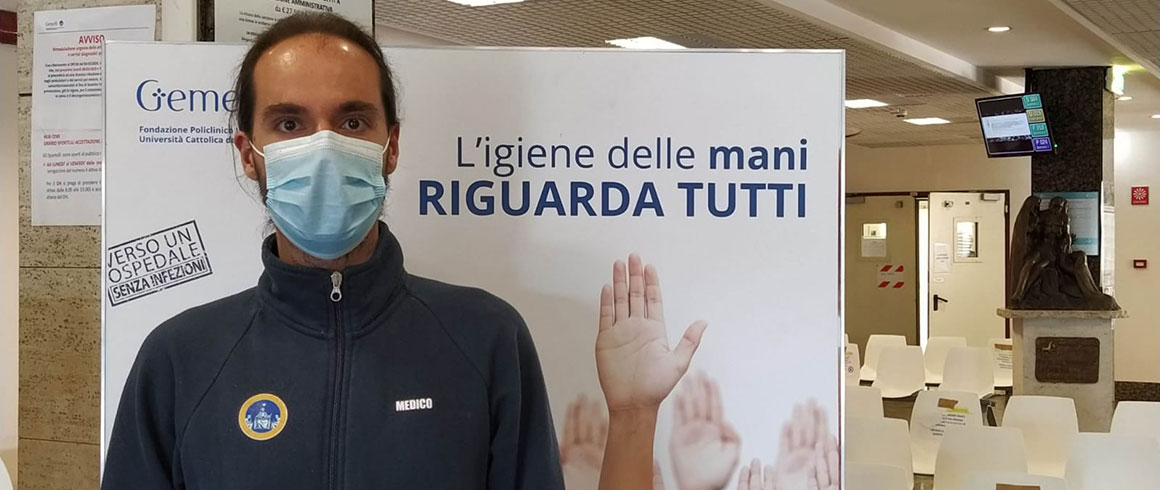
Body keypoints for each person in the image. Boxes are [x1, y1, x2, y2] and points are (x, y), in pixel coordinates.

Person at [101, 13, 565, 490]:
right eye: (289, 123)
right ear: (248, 154)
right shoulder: (179, 360)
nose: (324, 148)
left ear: (391, 146)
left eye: (352, 121)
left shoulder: (487, 339)